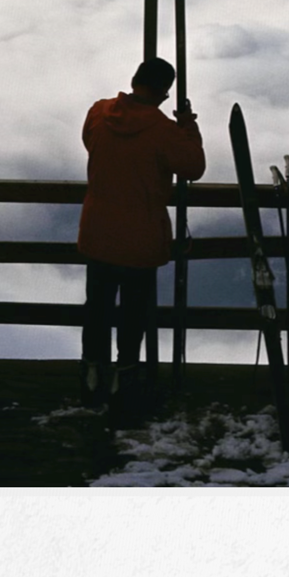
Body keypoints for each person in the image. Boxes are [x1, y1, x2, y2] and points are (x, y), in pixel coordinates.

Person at [77, 56, 204, 411]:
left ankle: (91, 375)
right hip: (140, 236)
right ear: (164, 93)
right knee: (134, 314)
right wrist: (187, 127)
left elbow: (91, 143)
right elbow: (193, 166)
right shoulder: (163, 130)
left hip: (98, 230)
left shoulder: (98, 113)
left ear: (133, 79)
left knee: (97, 309)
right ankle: (125, 379)